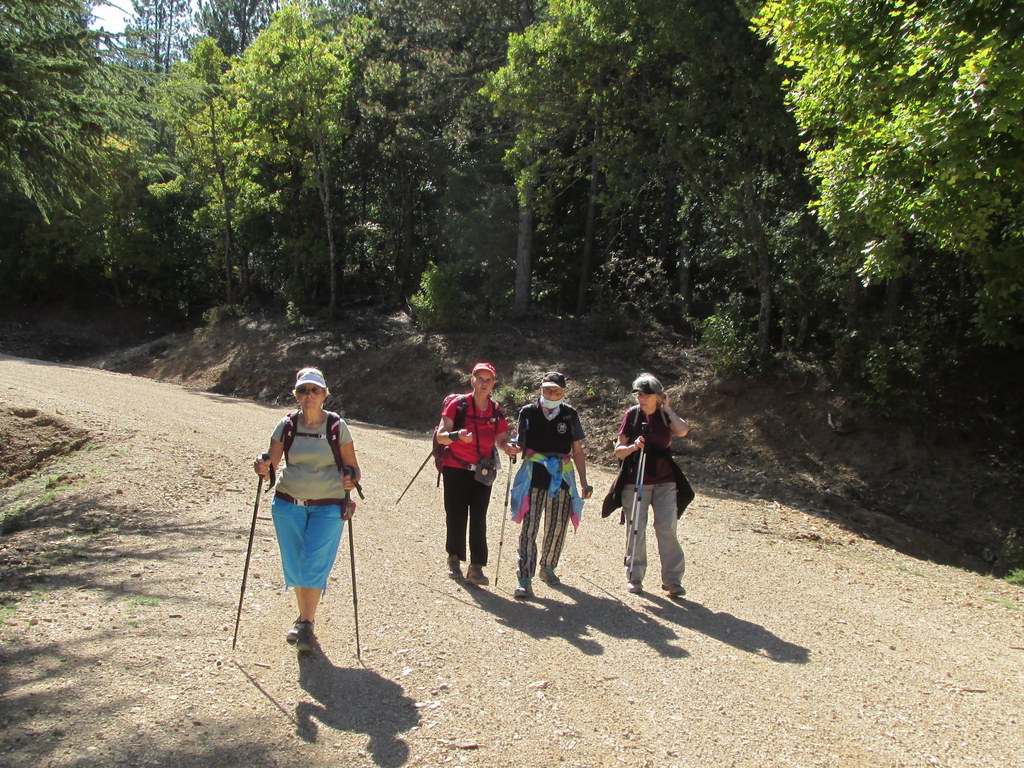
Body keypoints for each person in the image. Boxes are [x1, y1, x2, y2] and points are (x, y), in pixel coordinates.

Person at [254, 367, 361, 651]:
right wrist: (263, 468)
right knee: (296, 564)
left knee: (313, 563)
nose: (309, 395)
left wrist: (350, 478)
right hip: (288, 504)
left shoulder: (337, 427)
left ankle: (305, 623)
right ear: (297, 395)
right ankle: (304, 620)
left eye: (314, 390)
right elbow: (272, 467)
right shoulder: (286, 425)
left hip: (329, 505)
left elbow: (354, 469)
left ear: (324, 394)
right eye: (303, 390)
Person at [604, 373, 693, 597]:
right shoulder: (631, 416)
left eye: (646, 395)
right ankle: (634, 577)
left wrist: (669, 409)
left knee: (667, 528)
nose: (641, 399)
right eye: (639, 395)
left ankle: (673, 580)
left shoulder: (665, 416)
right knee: (635, 528)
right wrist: (634, 447)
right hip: (636, 481)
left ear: (658, 397)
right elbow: (619, 450)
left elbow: (682, 430)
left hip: (665, 482)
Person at [509, 372, 593, 599]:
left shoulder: (570, 415)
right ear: (541, 389)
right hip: (534, 475)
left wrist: (584, 484)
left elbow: (577, 451)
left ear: (564, 392)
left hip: (561, 477)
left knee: (557, 527)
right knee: (530, 528)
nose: (551, 394)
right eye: (547, 390)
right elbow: (520, 440)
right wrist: (514, 447)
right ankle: (524, 578)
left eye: (556, 391)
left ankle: (548, 567)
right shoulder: (528, 412)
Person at [436, 362, 519, 586]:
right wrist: (457, 436)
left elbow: (502, 438)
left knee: (479, 517)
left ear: (494, 383)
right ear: (472, 380)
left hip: (483, 469)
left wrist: (508, 446)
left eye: (488, 380)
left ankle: (476, 567)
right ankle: (454, 559)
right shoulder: (458, 404)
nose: (483, 383)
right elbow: (441, 436)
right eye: (479, 379)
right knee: (456, 513)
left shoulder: (495, 409)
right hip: (455, 466)